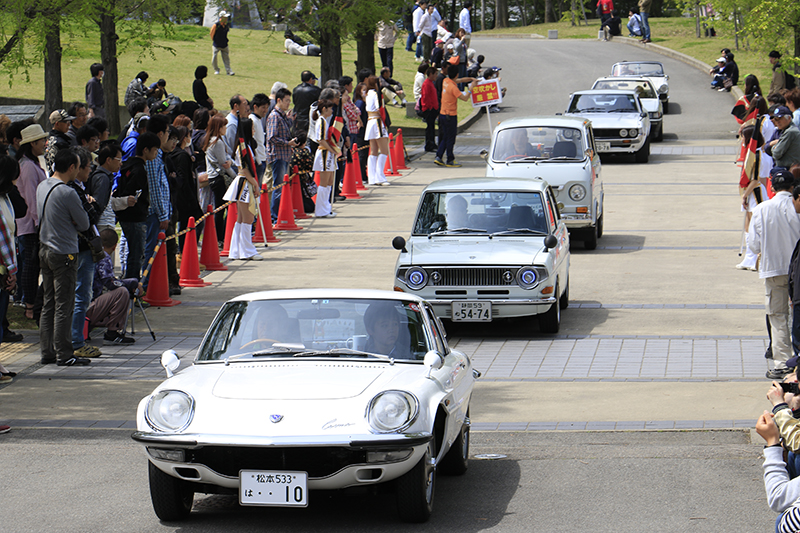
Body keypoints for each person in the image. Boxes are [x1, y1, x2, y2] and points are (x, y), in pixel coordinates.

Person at [37, 148, 91, 366]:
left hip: (44, 249)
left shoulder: (43, 185)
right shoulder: (68, 192)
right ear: (71, 168)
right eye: (78, 166)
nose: (79, 170)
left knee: (48, 302)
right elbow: (85, 223)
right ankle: (65, 354)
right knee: (64, 304)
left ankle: (47, 351)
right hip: (64, 252)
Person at [747, 168, 800, 379]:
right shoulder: (796, 206)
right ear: (792, 187)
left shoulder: (761, 209)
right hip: (797, 269)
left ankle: (782, 362)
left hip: (774, 269)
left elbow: (753, 245)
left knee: (778, 316)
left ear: (771, 187)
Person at [68, 147, 103, 359]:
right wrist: (92, 204)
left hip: (79, 249)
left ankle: (74, 339)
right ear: (77, 167)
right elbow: (90, 217)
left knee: (80, 295)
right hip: (81, 249)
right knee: (81, 296)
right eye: (88, 166)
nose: (91, 170)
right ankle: (77, 341)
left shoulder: (77, 187)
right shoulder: (73, 190)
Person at [115, 132, 160, 280]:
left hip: (125, 216)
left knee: (133, 253)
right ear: (145, 150)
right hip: (135, 217)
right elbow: (132, 193)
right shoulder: (139, 170)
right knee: (136, 254)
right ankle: (131, 290)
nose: (157, 153)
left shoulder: (128, 165)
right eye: (155, 149)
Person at [15, 124, 48, 321]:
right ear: (32, 143)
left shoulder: (31, 163)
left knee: (33, 263)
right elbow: (30, 199)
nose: (44, 144)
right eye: (41, 141)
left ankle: (30, 302)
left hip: (32, 223)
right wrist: (38, 224)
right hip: (30, 224)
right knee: (30, 264)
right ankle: (29, 304)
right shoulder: (27, 166)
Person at [86, 229, 139, 345]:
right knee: (122, 292)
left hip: (77, 307)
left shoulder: (87, 253)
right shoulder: (103, 257)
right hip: (87, 307)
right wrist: (132, 282)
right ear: (115, 246)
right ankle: (112, 333)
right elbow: (110, 283)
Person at [222, 117, 263, 260]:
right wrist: (255, 184)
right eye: (252, 128)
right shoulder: (242, 148)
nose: (254, 130)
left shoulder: (246, 146)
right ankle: (247, 251)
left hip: (245, 182)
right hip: (244, 183)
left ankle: (237, 250)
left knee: (241, 218)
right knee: (248, 218)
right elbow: (245, 170)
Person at [435, 64, 475, 168]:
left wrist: (470, 79)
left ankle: (439, 156)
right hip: (450, 116)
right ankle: (450, 159)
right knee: (450, 138)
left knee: (445, 136)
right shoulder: (453, 88)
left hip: (443, 114)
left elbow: (460, 80)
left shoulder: (446, 81)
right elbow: (465, 98)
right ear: (457, 74)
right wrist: (471, 88)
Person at [203, 114, 236, 244]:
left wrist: (230, 162)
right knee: (223, 208)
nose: (225, 128)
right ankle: (221, 237)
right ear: (219, 127)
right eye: (224, 126)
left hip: (213, 177)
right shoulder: (218, 142)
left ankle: (220, 237)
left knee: (219, 208)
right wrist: (234, 176)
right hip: (219, 178)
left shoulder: (211, 140)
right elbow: (224, 163)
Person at [267, 87, 297, 221]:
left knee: (282, 186)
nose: (288, 104)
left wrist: (290, 120)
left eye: (289, 101)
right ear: (278, 100)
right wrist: (287, 143)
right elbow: (272, 137)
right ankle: (274, 216)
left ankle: (279, 214)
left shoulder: (282, 116)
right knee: (278, 187)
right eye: (286, 101)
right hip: (278, 156)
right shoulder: (274, 116)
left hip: (284, 155)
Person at [0, 155, 19, 367]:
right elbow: (3, 238)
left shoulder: (6, 198)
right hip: (3, 269)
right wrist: (12, 270)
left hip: (6, 269)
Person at [310, 99, 339, 219]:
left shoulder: (325, 121)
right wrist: (332, 150)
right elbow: (321, 139)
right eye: (330, 108)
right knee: (324, 182)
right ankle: (321, 210)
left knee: (329, 181)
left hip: (328, 153)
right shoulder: (321, 121)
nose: (332, 110)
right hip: (324, 153)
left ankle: (326, 207)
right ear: (324, 109)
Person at [364, 76, 390, 186]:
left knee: (373, 151)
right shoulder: (375, 94)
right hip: (377, 121)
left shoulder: (368, 93)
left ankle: (372, 177)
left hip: (370, 121)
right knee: (384, 150)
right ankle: (380, 176)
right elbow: (380, 108)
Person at [293, 71, 322, 140]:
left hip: (299, 119)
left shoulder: (296, 90)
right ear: (310, 79)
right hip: (310, 119)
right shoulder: (316, 90)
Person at [44, 109, 75, 174]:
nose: (69, 125)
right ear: (57, 124)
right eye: (66, 122)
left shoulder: (49, 138)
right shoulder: (61, 143)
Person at [249, 93, 269, 181]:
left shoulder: (258, 120)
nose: (266, 110)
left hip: (262, 159)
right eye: (263, 107)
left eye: (267, 107)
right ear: (255, 107)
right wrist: (258, 161)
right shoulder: (252, 120)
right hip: (258, 161)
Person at [420, 66, 440, 152]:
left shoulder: (431, 83)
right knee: (430, 127)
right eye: (435, 74)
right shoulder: (427, 83)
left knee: (431, 127)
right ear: (431, 74)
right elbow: (426, 97)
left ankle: (432, 143)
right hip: (429, 109)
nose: (436, 76)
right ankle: (429, 144)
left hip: (433, 108)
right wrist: (429, 107)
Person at [210, 10, 234, 76]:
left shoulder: (226, 26)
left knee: (226, 58)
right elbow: (211, 33)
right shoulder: (216, 25)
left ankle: (229, 71)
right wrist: (214, 40)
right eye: (225, 17)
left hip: (224, 44)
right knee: (214, 57)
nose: (226, 19)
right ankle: (216, 70)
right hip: (216, 45)